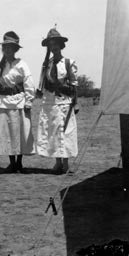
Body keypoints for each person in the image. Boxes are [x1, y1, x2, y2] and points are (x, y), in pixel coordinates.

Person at [36, 27, 79, 174]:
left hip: (65, 102)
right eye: (51, 45)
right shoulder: (46, 64)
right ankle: (57, 162)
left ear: (61, 45)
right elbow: (42, 84)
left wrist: (76, 102)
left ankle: (66, 164)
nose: (53, 47)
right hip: (51, 103)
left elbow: (74, 85)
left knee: (66, 133)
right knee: (53, 133)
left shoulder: (68, 63)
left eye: (56, 44)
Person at [0, 31, 35, 173]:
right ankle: (11, 162)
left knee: (19, 132)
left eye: (10, 47)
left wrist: (29, 101)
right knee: (7, 132)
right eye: (5, 47)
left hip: (19, 101)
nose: (7, 50)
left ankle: (19, 162)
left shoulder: (22, 64)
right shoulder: (1, 66)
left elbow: (29, 83)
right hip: (4, 102)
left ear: (15, 49)